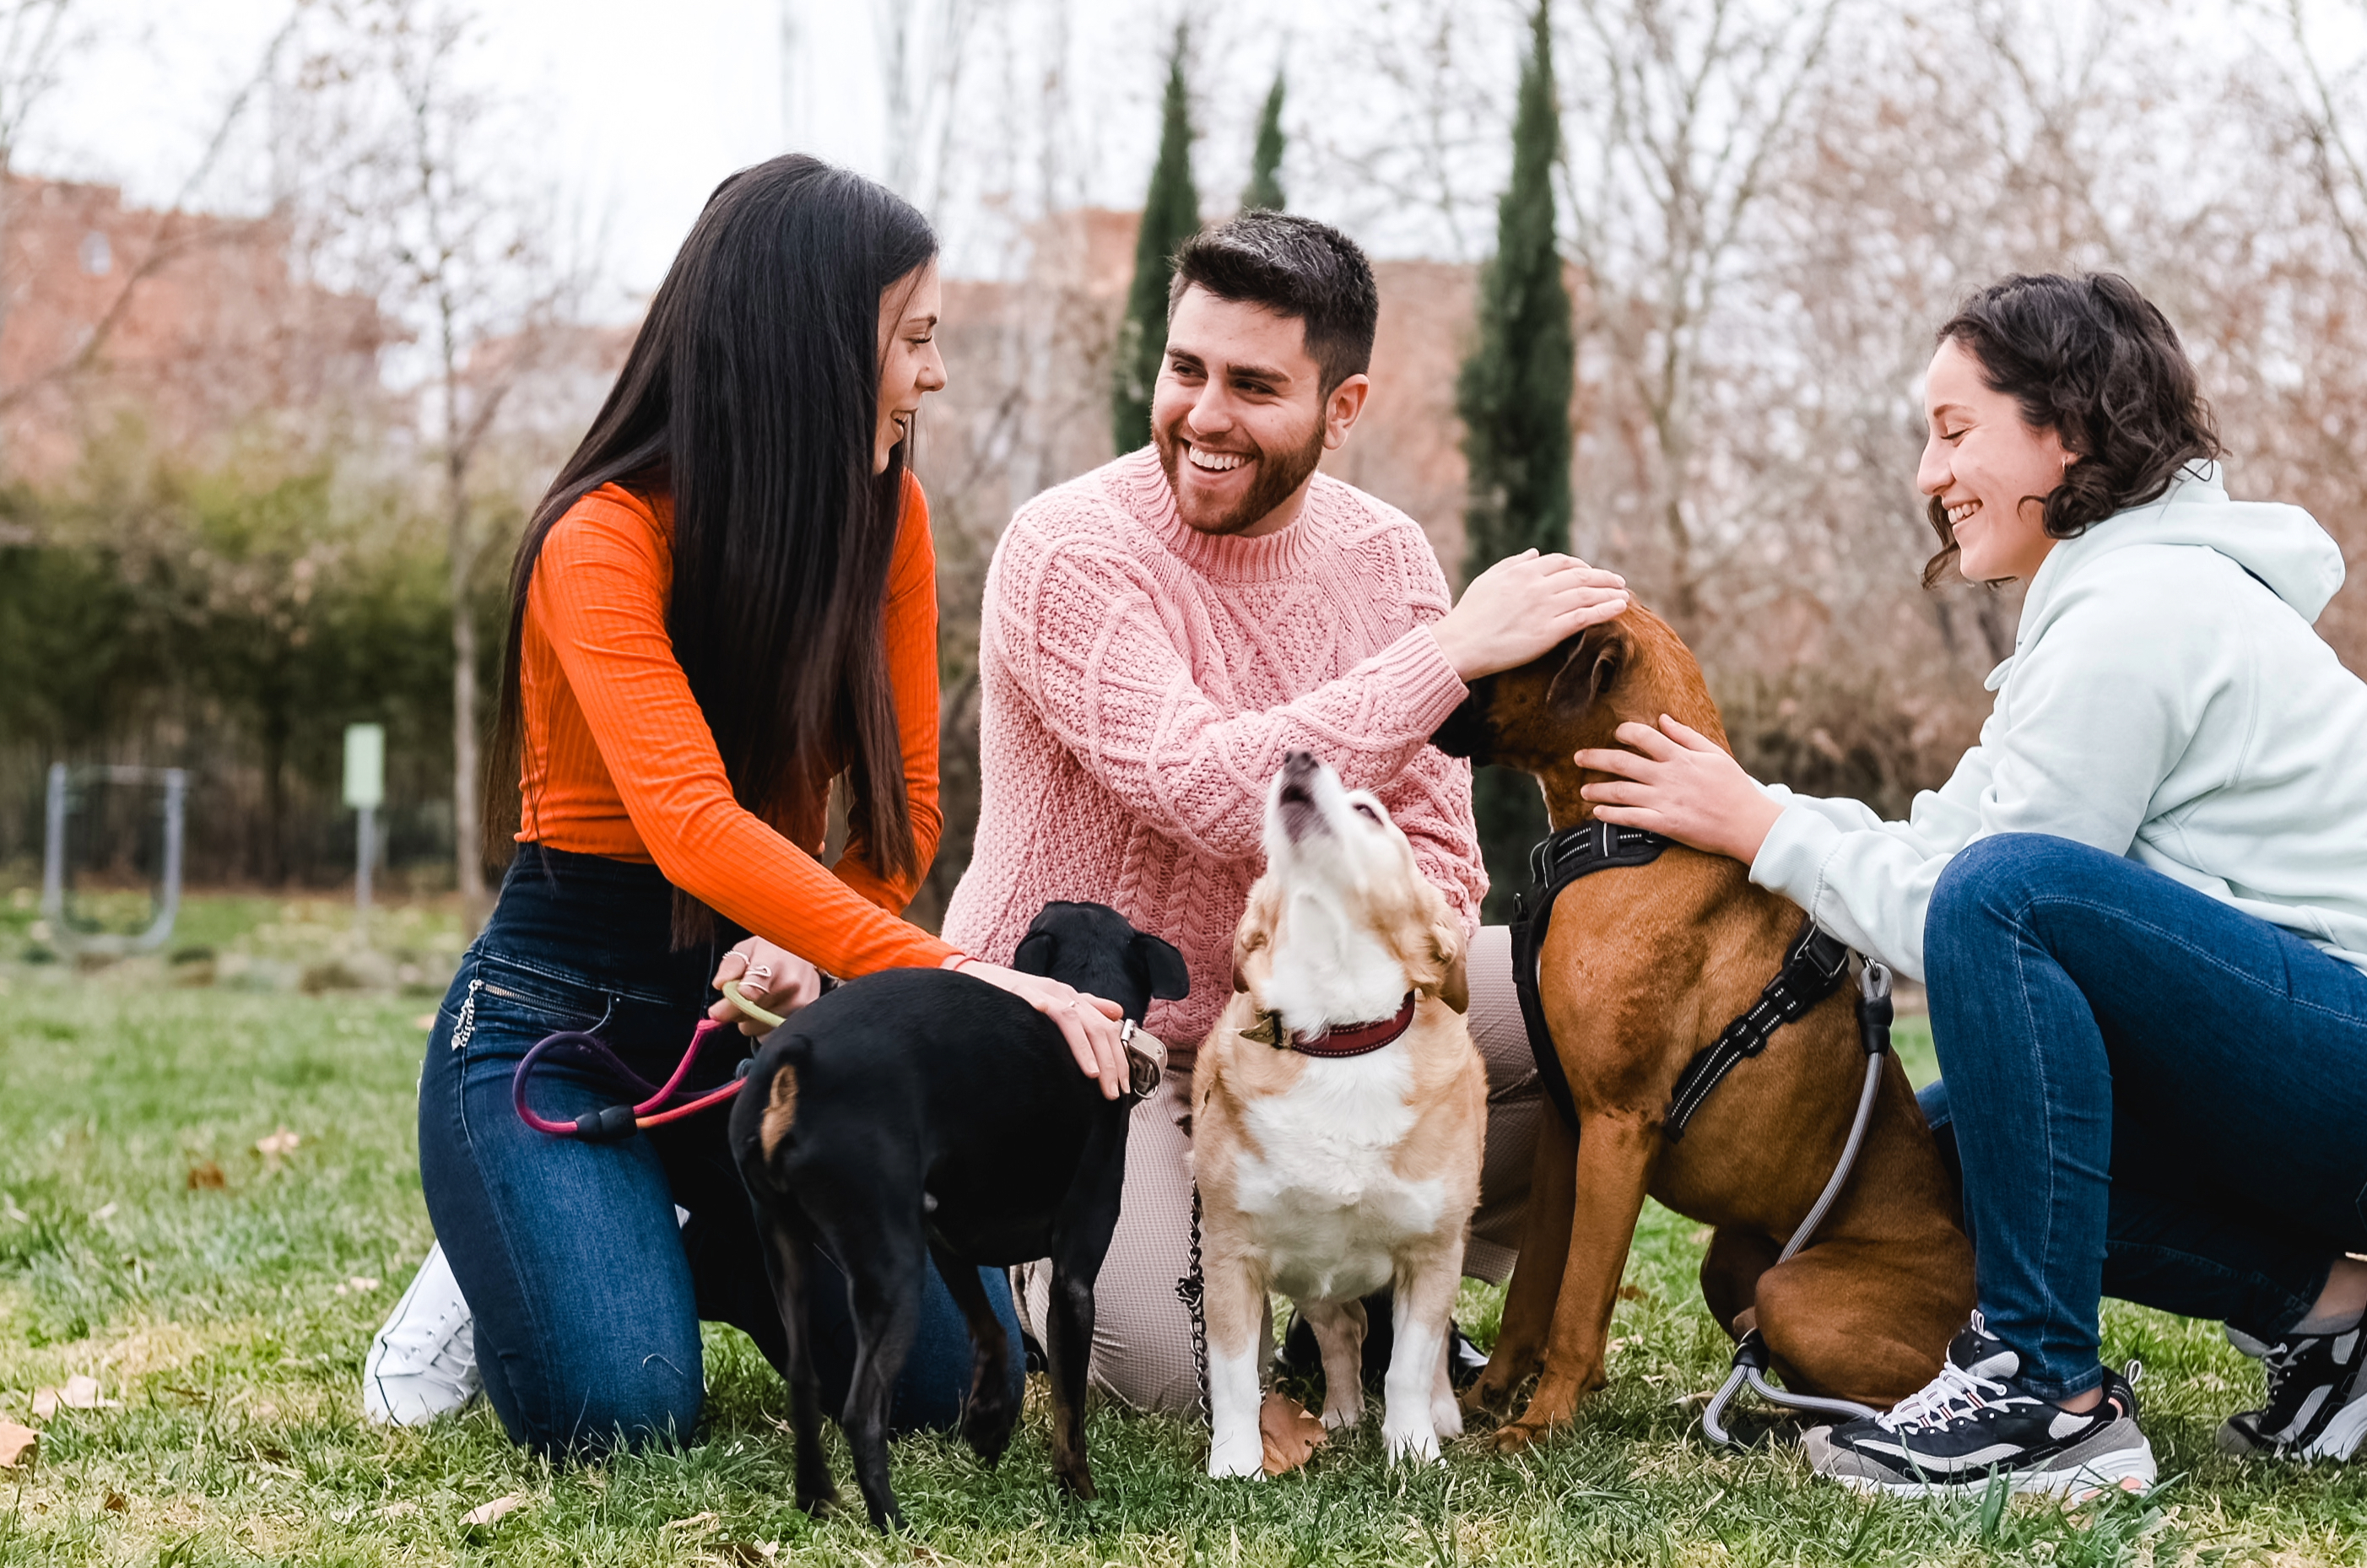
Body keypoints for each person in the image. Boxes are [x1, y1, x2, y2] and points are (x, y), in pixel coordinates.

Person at [1575, 273, 2367, 1496]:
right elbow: (1952, 847)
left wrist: (1767, 829)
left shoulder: (2138, 613)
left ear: (2072, 429)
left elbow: (1977, 907)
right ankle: (2350, 1325)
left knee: (2008, 898)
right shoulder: (2106, 601)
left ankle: (2050, 1399)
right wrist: (1759, 816)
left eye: (1954, 431)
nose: (1928, 476)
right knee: (1931, 1166)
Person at [362, 156, 1129, 1452]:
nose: (932, 375)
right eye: (914, 339)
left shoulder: (889, 517)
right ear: (807, 348)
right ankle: (522, 1241)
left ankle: (669, 1232)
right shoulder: (597, 538)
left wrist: (823, 944)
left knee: (946, 1391)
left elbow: (908, 818)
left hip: (763, 1036)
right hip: (563, 1021)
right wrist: (977, 980)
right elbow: (689, 823)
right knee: (621, 1411)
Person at [943, 210, 1631, 1416]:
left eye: (1254, 386)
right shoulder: (1069, 551)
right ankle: (1082, 1264)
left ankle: (1371, 1271)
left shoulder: (1385, 558)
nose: (1204, 416)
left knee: (1596, 1002)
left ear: (1343, 406)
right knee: (1163, 1368)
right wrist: (1449, 657)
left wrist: (1346, 1027)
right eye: (1185, 368)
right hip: (1104, 1046)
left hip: (1300, 1026)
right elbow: (1207, 788)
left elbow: (1440, 856)